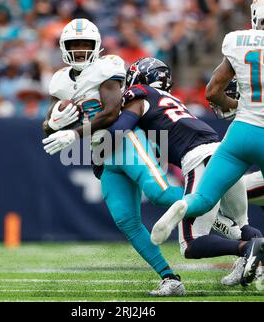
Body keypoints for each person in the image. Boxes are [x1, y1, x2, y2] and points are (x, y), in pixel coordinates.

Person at [42, 18, 185, 296]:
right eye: (75, 45)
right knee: (126, 220)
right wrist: (54, 124)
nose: (81, 51)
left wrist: (74, 134)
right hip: (102, 153)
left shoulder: (106, 67)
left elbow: (110, 112)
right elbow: (47, 122)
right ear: (63, 47)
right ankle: (169, 277)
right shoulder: (58, 81)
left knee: (160, 192)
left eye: (86, 45)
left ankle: (226, 222)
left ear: (97, 47)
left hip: (125, 141)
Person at [99, 57, 262, 287]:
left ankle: (246, 250)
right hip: (225, 156)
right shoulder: (173, 100)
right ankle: (254, 256)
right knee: (241, 225)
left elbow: (122, 126)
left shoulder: (139, 95)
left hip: (199, 158)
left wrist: (96, 139)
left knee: (191, 244)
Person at [150, 0, 264, 287]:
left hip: (239, 132)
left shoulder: (237, 40)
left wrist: (237, 106)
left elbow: (213, 92)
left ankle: (182, 207)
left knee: (203, 199)